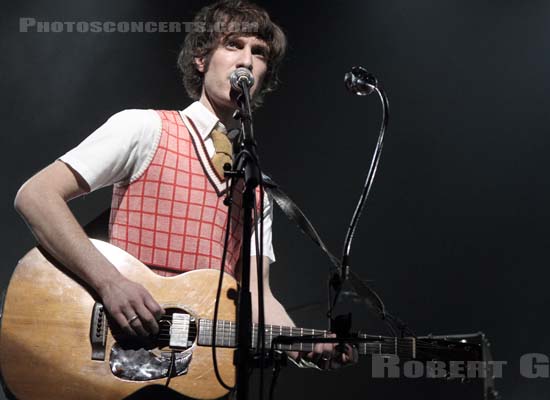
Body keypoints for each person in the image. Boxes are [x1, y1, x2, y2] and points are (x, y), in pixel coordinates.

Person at [14, 0, 354, 378]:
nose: (246, 60)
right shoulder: (144, 129)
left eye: (258, 53)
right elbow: (36, 196)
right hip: (114, 355)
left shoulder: (256, 190)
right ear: (201, 59)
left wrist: (302, 345)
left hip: (189, 372)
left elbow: (258, 296)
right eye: (233, 45)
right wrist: (109, 283)